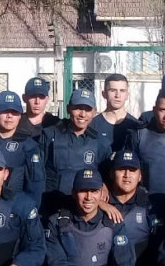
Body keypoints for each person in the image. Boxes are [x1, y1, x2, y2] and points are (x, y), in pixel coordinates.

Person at [37, 88, 112, 216]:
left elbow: (106, 175)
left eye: (87, 109)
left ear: (94, 112)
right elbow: (37, 173)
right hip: (52, 207)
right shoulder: (49, 135)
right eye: (78, 108)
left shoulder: (101, 142)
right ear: (68, 108)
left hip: (83, 211)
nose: (82, 114)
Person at [0, 91, 45, 199]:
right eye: (5, 111)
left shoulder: (28, 145)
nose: (9, 116)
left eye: (14, 112)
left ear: (20, 116)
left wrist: (28, 209)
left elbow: (35, 184)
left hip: (14, 205)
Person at [89, 74, 139, 151]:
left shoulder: (136, 126)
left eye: (122, 91)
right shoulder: (92, 125)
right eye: (112, 90)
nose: (117, 95)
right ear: (104, 94)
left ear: (127, 95)